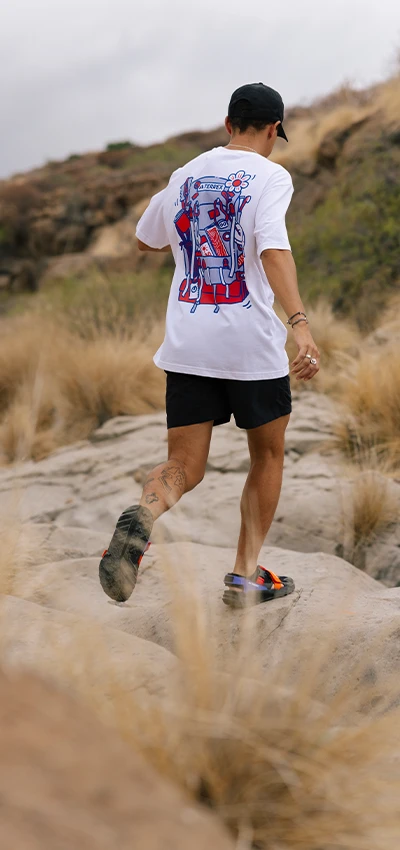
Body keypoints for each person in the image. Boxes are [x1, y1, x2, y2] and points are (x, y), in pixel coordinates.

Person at [99, 82, 320, 608]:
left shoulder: (185, 174)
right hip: (249, 344)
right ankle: (245, 576)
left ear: (227, 124)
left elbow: (145, 238)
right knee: (267, 455)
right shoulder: (271, 175)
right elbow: (273, 247)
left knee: (185, 465)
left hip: (189, 343)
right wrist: (300, 322)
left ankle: (146, 514)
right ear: (273, 130)